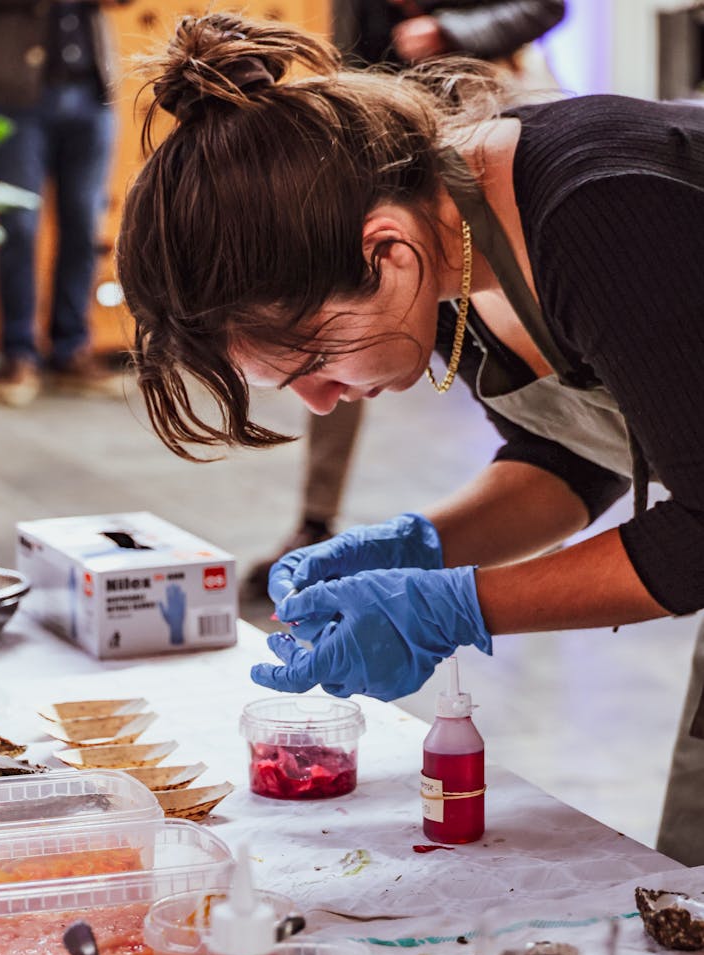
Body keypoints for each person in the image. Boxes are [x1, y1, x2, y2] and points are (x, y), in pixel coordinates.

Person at [116, 14, 704, 863]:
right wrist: (421, 548)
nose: (321, 403)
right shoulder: (451, 255)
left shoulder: (600, 212)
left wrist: (456, 606)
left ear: (383, 252)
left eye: (316, 361)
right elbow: (575, 454)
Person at [241, 0, 566, 598]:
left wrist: (450, 31)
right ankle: (317, 516)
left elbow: (544, 6)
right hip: (379, 159)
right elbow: (348, 53)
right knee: (336, 350)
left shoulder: (580, 200)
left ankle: (554, 523)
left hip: (483, 118)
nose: (314, 396)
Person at [0, 0, 131, 406]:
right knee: (18, 225)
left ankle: (71, 349)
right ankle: (18, 354)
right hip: (15, 90)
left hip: (92, 89)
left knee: (84, 224)